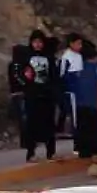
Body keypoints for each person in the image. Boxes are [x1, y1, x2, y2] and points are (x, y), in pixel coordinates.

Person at [13, 31, 60, 162]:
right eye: (35, 42)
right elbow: (18, 74)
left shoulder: (49, 57)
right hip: (32, 94)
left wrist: (53, 91)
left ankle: (51, 152)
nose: (38, 45)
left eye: (40, 42)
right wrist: (26, 83)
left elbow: (54, 76)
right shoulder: (25, 57)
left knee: (49, 123)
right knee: (31, 124)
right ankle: (31, 152)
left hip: (47, 95)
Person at [65, 36, 97, 164]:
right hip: (95, 105)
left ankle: (85, 160)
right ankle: (96, 164)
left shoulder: (75, 67)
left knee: (83, 133)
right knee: (96, 134)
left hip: (79, 105)